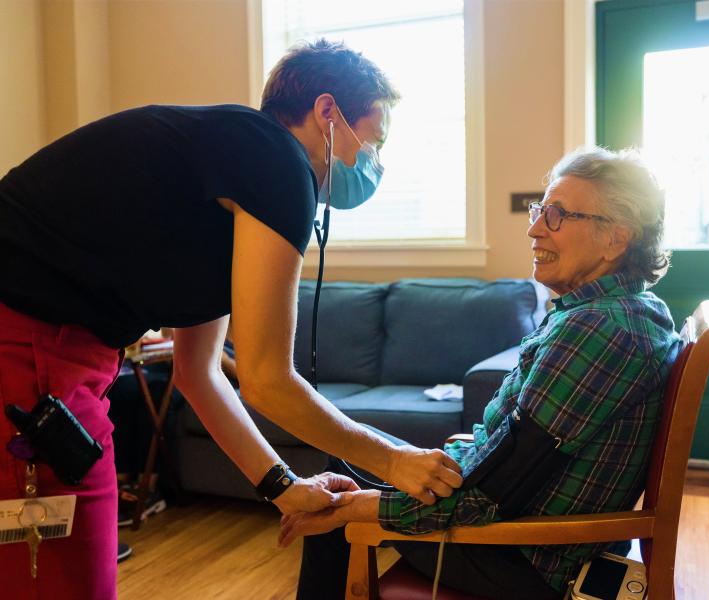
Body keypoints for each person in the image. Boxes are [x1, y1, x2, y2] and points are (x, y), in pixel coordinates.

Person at [0, 39, 462, 599]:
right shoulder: (277, 162)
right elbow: (269, 379)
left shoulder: (231, 170)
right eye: (373, 139)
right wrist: (397, 460)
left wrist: (283, 487)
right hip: (27, 352)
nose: (373, 161)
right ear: (327, 113)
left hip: (55, 354)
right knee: (63, 579)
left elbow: (200, 373)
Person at [279, 147, 682, 600]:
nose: (533, 229)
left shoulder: (600, 330)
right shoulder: (621, 312)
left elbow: (491, 495)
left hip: (522, 556)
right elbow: (513, 460)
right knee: (351, 460)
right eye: (539, 211)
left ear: (616, 238)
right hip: (521, 526)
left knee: (338, 500)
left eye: (557, 215)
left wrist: (358, 507)